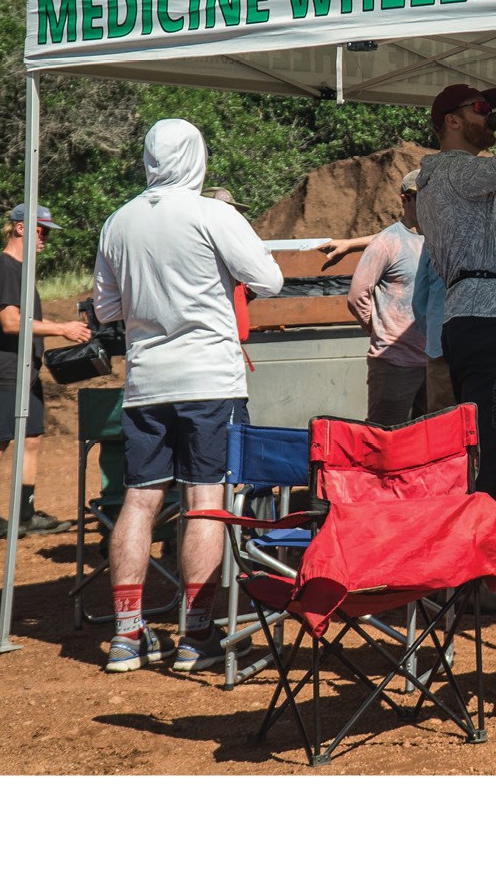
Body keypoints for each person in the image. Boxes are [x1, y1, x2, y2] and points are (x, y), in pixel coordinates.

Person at [91, 118, 284, 673]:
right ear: (196, 156)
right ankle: (196, 636)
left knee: (140, 499)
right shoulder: (212, 213)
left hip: (146, 383)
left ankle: (127, 634)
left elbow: (106, 310)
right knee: (206, 500)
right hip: (209, 381)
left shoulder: (117, 222)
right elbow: (268, 279)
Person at [410, 85, 496, 502]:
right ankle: (486, 541)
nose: (488, 116)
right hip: (487, 320)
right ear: (452, 121)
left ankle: (472, 532)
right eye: (480, 109)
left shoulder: (434, 179)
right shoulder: (455, 170)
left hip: (466, 319)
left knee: (475, 444)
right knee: (495, 449)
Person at [0, 202, 85, 541]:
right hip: (2, 369)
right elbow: (10, 322)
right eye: (42, 232)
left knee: (32, 440)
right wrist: (61, 329)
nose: (45, 240)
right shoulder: (4, 270)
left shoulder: (21, 271)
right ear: (21, 228)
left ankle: (25, 515)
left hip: (26, 371)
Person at [340, 170, 431, 427]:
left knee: (431, 439)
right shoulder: (387, 242)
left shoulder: (440, 239)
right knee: (386, 436)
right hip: (395, 363)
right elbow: (357, 295)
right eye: (420, 195)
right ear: (405, 199)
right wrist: (378, 328)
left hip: (434, 362)